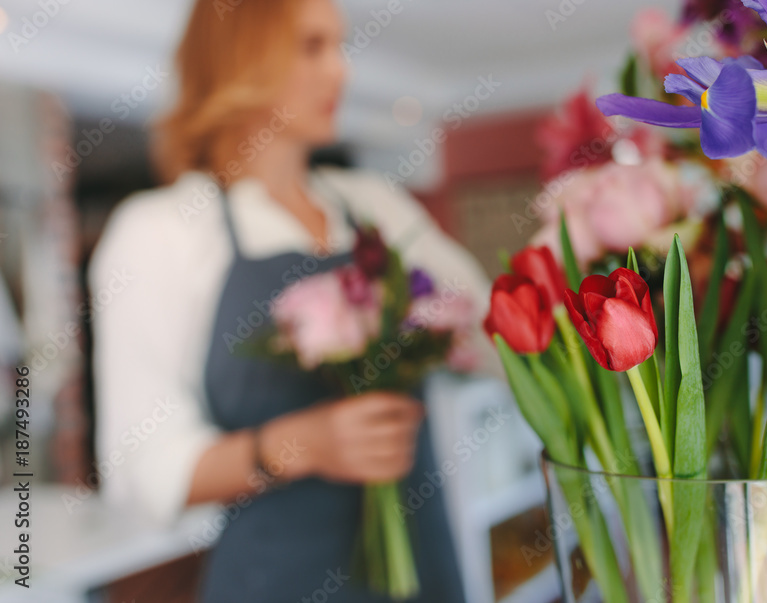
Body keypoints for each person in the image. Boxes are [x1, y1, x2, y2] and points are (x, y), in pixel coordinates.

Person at [88, 1, 495, 601]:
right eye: (311, 47)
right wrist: (300, 444)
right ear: (238, 58)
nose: (341, 71)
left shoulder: (374, 207)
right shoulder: (163, 231)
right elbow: (140, 470)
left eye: (339, 46)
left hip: (424, 570)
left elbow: (498, 334)